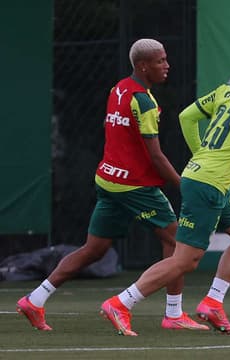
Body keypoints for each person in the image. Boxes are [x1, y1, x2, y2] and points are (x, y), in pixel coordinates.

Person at [99, 43, 230, 336]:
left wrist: (200, 154)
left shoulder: (227, 90)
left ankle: (213, 303)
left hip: (205, 180)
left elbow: (187, 117)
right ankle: (122, 302)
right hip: (208, 186)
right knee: (185, 260)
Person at [16, 39, 208, 332]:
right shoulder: (143, 100)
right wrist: (185, 185)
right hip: (134, 186)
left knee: (93, 250)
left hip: (108, 179)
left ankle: (35, 298)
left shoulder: (118, 88)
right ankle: (169, 313)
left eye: (166, 59)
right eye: (160, 61)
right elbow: (155, 156)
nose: (166, 65)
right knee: (179, 242)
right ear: (143, 66)